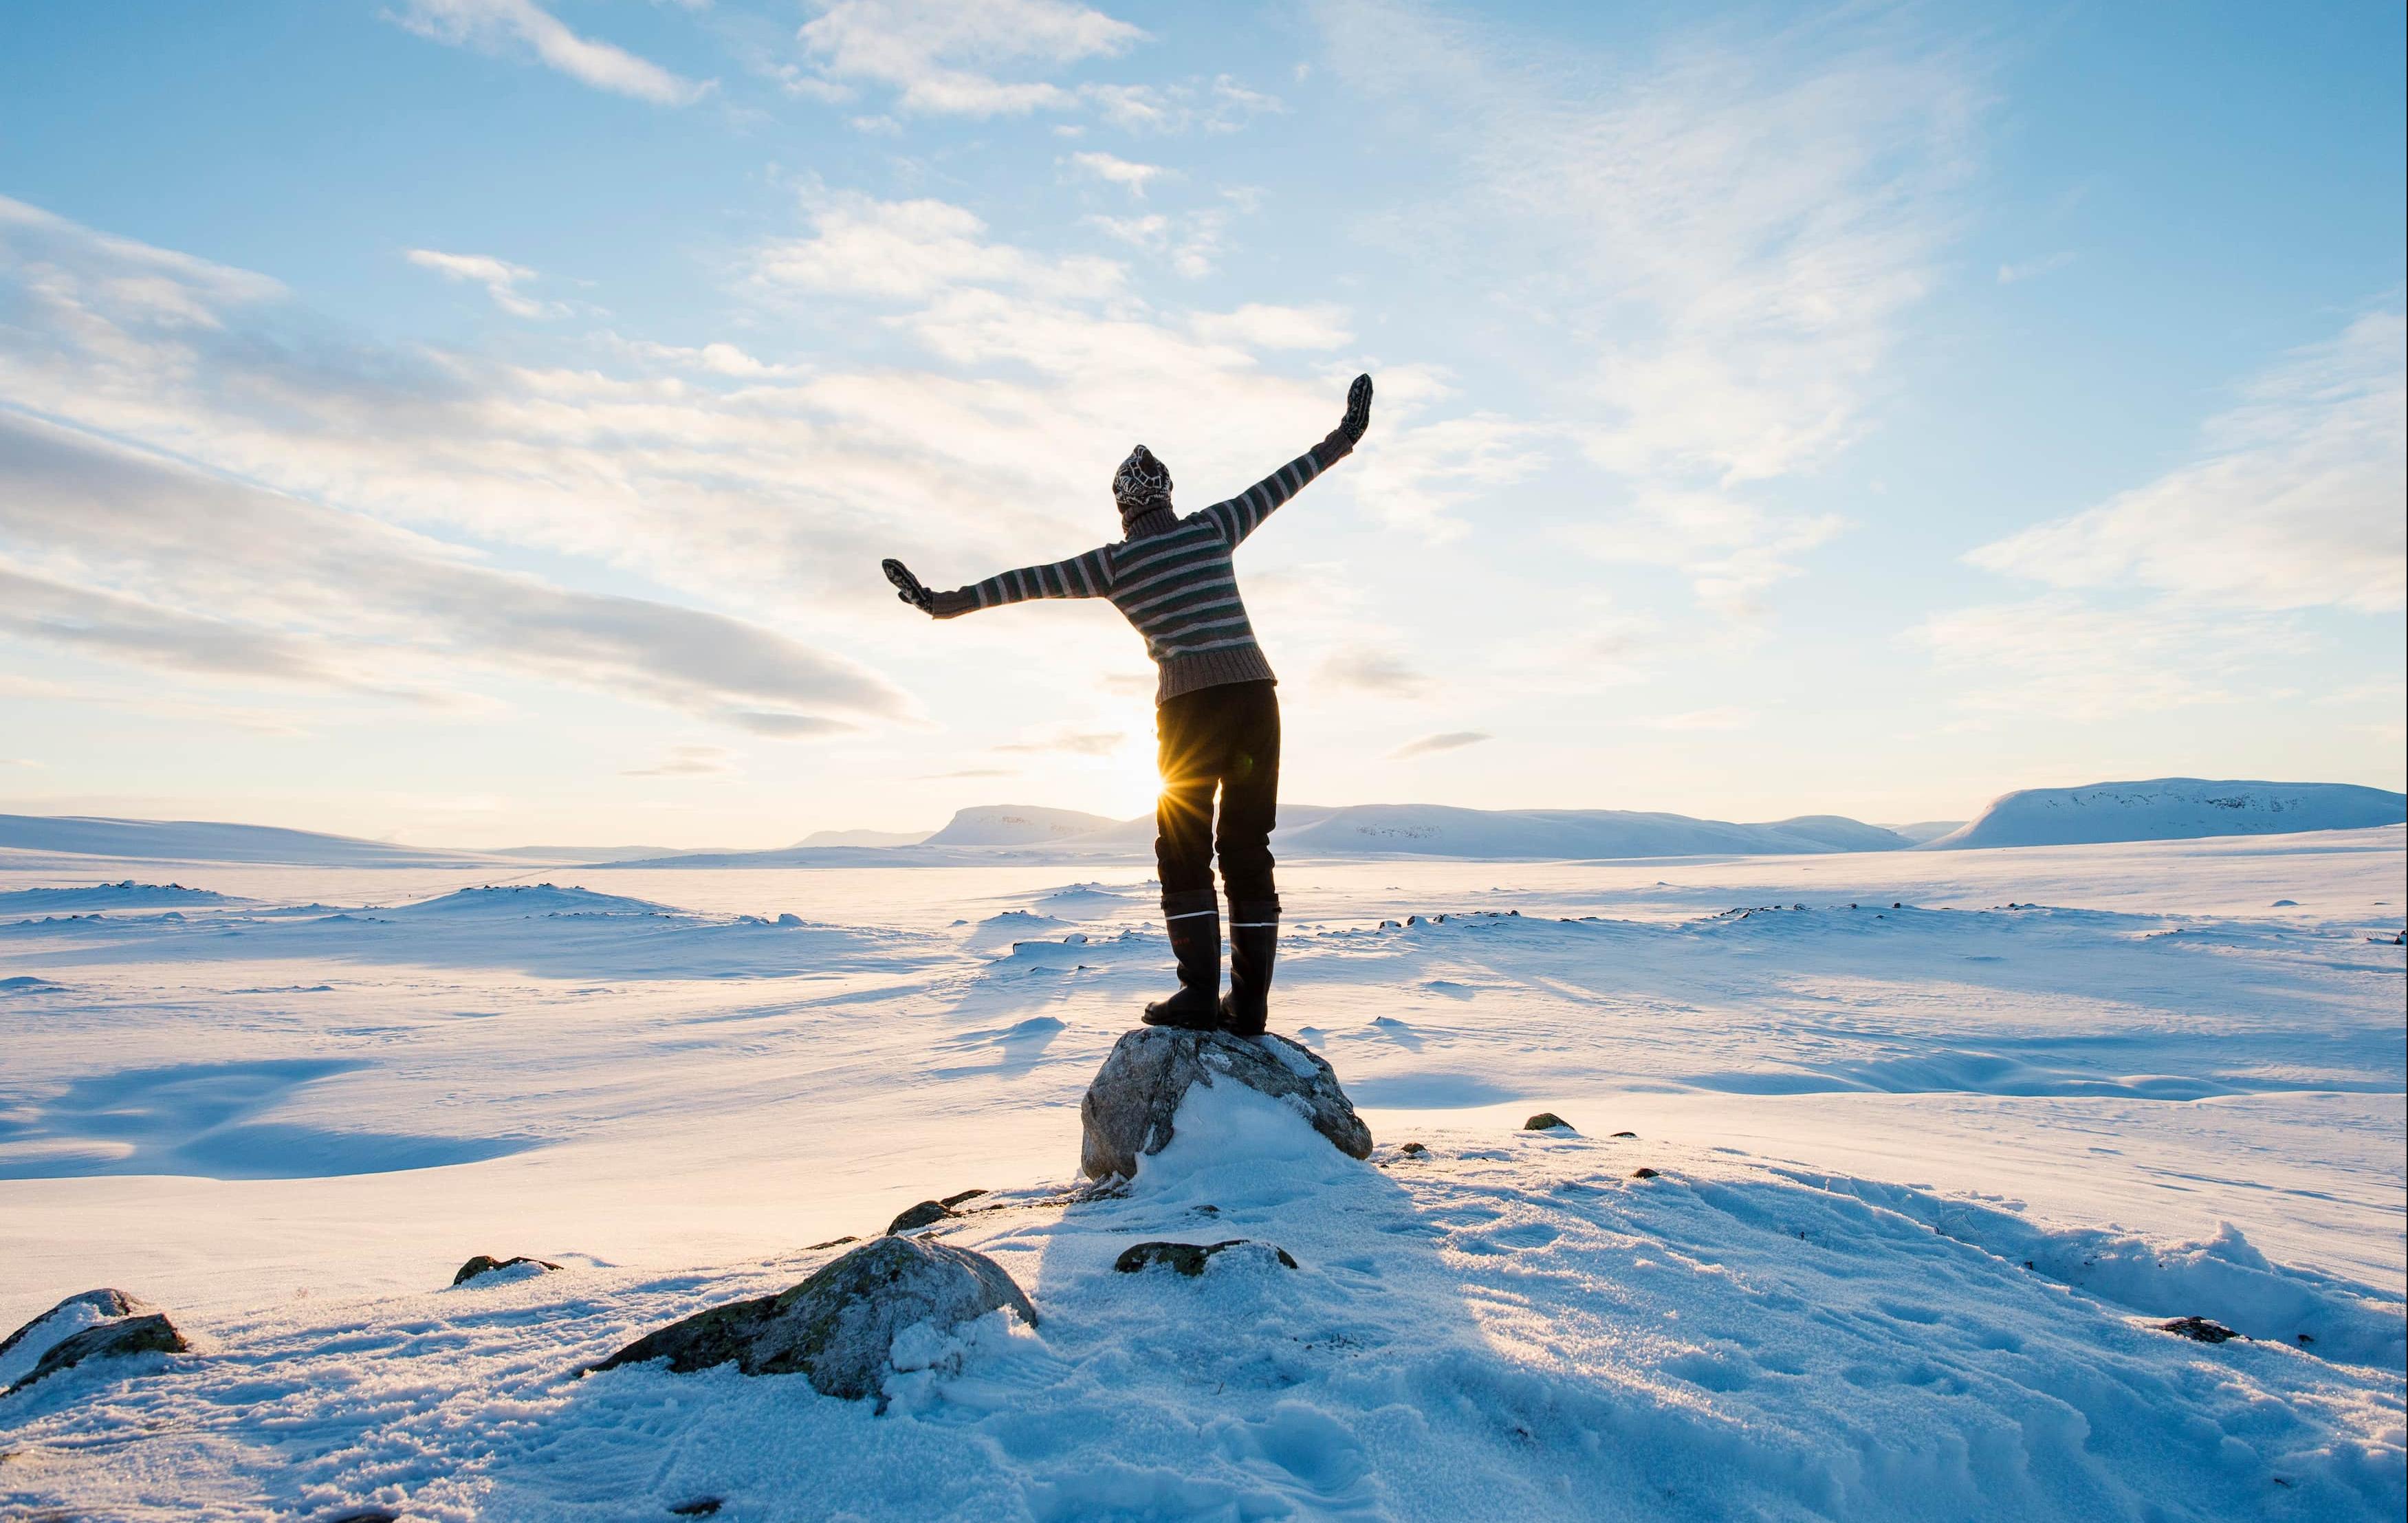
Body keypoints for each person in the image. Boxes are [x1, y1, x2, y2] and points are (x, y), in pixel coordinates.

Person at [883, 374, 1374, 1037]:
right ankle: (1249, 1009)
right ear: (1169, 493)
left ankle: (1200, 995)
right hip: (1256, 697)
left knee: (1183, 847)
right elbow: (1280, 484)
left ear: (1122, 508)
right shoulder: (1212, 526)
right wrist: (1341, 439)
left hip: (1190, 712)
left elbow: (1026, 582)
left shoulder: (1114, 565)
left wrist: (946, 603)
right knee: (1247, 844)